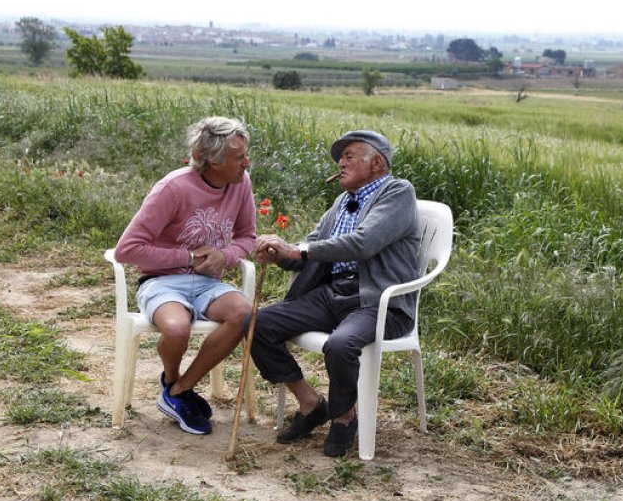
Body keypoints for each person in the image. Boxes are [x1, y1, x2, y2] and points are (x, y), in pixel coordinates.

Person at [249, 130, 419, 458]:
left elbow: (363, 243)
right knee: (256, 323)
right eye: (340, 158)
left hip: (376, 301)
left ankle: (344, 417)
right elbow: (310, 245)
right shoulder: (342, 201)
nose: (340, 162)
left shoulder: (397, 192)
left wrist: (299, 251)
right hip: (333, 295)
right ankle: (311, 404)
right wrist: (281, 253)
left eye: (350, 156)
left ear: (378, 163)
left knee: (340, 345)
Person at [114, 116, 256, 435]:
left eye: (246, 155)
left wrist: (226, 255)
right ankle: (171, 378)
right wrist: (188, 258)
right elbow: (127, 249)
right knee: (178, 329)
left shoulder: (240, 183)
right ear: (212, 161)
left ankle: (179, 391)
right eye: (239, 158)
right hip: (161, 281)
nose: (247, 163)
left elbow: (247, 235)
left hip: (209, 284)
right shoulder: (173, 188)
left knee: (244, 314)